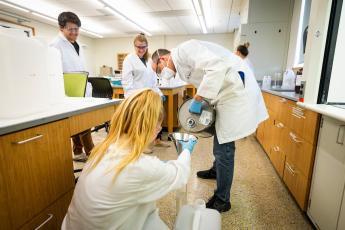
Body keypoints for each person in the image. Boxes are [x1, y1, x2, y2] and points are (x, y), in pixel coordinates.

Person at [151, 39, 268, 213]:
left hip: (233, 92)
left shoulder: (184, 49)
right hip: (223, 92)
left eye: (159, 70)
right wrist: (204, 100)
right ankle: (216, 170)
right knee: (218, 136)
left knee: (224, 146)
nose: (162, 74)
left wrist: (198, 99)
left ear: (162, 59)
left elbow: (216, 68)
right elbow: (205, 77)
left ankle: (222, 200)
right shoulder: (181, 65)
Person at [61, 89, 197, 230]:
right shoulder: (141, 167)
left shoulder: (102, 149)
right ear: (155, 128)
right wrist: (186, 151)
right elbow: (180, 174)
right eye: (159, 126)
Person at [50, 12, 94, 162]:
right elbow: (53, 72)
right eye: (71, 29)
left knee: (79, 123)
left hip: (81, 89)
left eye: (77, 29)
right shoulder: (55, 45)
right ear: (61, 28)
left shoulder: (77, 44)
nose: (75, 32)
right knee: (84, 123)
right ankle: (92, 153)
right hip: (67, 91)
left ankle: (77, 152)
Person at [122, 33, 169, 152]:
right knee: (141, 123)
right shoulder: (129, 59)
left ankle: (154, 140)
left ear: (147, 46)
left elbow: (153, 82)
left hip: (150, 95)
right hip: (137, 96)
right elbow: (127, 83)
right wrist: (134, 99)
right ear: (134, 46)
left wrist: (160, 94)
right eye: (138, 47)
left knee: (158, 118)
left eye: (143, 47)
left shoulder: (149, 60)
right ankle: (140, 146)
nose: (141, 49)